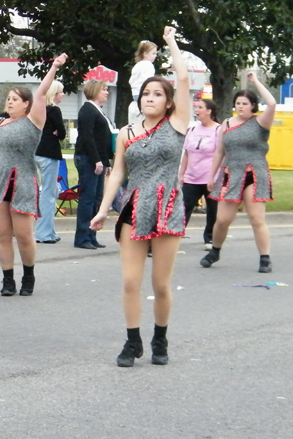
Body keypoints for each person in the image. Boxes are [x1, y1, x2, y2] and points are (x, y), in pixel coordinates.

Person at [90, 26, 190, 368]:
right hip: (134, 206)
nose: (150, 97)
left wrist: (171, 42)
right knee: (131, 280)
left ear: (168, 101)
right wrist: (103, 210)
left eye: (157, 94)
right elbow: (118, 173)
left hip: (167, 207)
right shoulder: (127, 132)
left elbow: (184, 78)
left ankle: (160, 337)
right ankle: (132, 342)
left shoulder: (177, 124)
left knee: (160, 284)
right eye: (146, 93)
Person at [0, 54, 68, 296]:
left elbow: (41, 93)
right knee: (3, 235)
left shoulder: (34, 122)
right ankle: (7, 279)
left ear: (26, 105)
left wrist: (53, 67)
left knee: (24, 235)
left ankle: (28, 275)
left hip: (22, 183)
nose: (10, 102)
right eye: (8, 98)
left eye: (15, 99)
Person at [201, 73, 277, 273]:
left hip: (254, 173)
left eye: (245, 103)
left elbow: (272, 103)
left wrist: (255, 82)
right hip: (231, 173)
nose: (241, 106)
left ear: (252, 105)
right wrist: (211, 176)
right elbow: (219, 151)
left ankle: (265, 258)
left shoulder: (261, 122)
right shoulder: (226, 123)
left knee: (256, 219)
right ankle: (215, 251)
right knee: (223, 220)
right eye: (238, 103)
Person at [74, 79, 114, 250]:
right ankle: (82, 237)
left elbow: (103, 139)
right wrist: (96, 160)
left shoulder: (99, 111)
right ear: (95, 90)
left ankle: (91, 234)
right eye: (104, 89)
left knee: (97, 198)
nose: (107, 92)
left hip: (98, 159)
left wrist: (106, 162)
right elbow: (88, 137)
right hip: (87, 159)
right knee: (87, 198)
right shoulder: (87, 110)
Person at [178, 99, 220, 250]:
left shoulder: (218, 130)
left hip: (211, 177)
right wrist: (182, 174)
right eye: (196, 107)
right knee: (183, 207)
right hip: (191, 177)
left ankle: (209, 238)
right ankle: (175, 234)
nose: (196, 110)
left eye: (200, 108)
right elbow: (187, 154)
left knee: (212, 209)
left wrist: (216, 176)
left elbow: (221, 154)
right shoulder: (192, 130)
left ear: (209, 111)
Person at [34, 81, 67, 244]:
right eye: (61, 92)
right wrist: (57, 132)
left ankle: (49, 231)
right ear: (54, 94)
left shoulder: (38, 109)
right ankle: (43, 233)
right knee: (48, 193)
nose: (63, 95)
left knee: (44, 192)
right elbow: (61, 133)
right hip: (49, 153)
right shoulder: (54, 110)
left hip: (36, 152)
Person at [128, 40, 157, 124]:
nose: (155, 56)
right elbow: (149, 81)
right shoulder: (148, 65)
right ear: (145, 54)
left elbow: (131, 81)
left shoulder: (137, 65)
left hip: (135, 94)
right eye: (153, 53)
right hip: (143, 93)